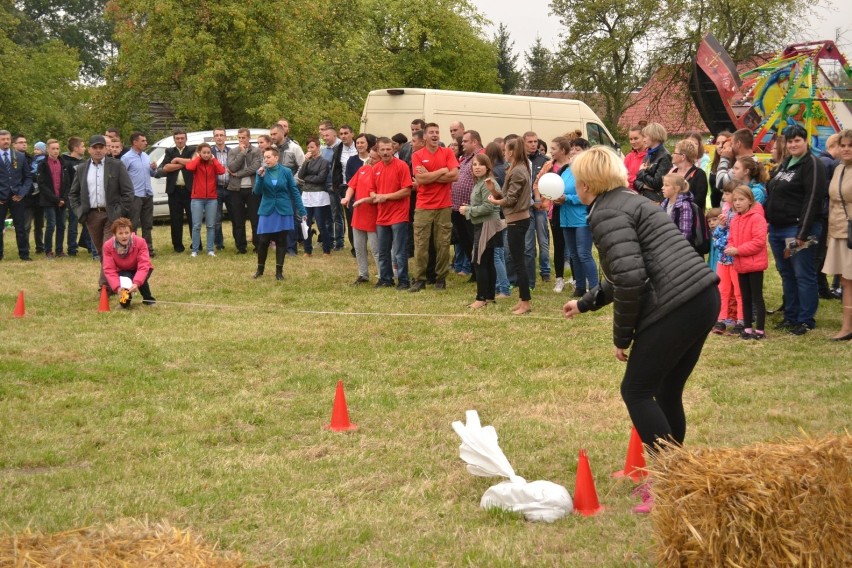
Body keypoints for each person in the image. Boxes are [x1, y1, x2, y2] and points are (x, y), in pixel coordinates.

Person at [562, 147, 720, 514]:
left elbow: (631, 278)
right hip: (702, 297)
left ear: (585, 184)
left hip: (677, 304)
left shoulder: (606, 213)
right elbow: (626, 271)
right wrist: (586, 302)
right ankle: (675, 479)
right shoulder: (632, 201)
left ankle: (671, 482)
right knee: (666, 389)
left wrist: (623, 337)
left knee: (635, 390)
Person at [765, 124, 826, 335]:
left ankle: (805, 319)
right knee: (786, 273)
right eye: (790, 141)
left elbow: (813, 198)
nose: (793, 144)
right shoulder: (786, 164)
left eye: (797, 140)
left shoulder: (812, 164)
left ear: (805, 141)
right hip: (777, 229)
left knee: (802, 274)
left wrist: (802, 233)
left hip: (797, 230)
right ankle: (791, 316)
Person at [68, 135, 134, 289]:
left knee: (107, 250)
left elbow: (128, 192)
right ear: (89, 150)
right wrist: (80, 212)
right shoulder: (82, 168)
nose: (98, 150)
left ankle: (105, 286)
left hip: (112, 215)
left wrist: (119, 212)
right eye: (95, 148)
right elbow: (73, 193)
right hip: (91, 216)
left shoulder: (116, 165)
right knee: (100, 251)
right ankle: (115, 279)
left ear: (106, 148)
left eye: (101, 147)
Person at [410, 123, 459, 292]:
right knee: (421, 244)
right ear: (424, 136)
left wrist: (429, 175)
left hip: (444, 206)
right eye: (431, 132)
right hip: (423, 206)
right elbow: (420, 180)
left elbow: (455, 176)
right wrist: (442, 171)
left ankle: (440, 279)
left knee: (443, 244)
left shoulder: (447, 152)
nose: (435, 135)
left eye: (437, 132)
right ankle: (420, 279)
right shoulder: (417, 155)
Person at [487, 138, 532, 315]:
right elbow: (509, 195)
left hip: (517, 220)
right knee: (517, 260)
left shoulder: (518, 171)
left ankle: (526, 303)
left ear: (512, 152)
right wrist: (493, 191)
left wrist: (496, 201)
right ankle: (522, 300)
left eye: (506, 150)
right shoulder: (516, 169)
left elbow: (511, 199)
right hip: (515, 219)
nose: (504, 152)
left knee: (519, 262)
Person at [252, 147, 305, 281]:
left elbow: (294, 191)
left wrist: (302, 210)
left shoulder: (286, 172)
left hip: (283, 210)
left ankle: (279, 272)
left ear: (276, 158)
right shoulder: (262, 172)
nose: (266, 160)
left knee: (281, 241)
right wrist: (259, 177)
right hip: (267, 209)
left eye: (269, 157)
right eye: (265, 157)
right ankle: (260, 270)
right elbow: (257, 192)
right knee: (263, 241)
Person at [725, 185, 768, 340]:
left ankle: (760, 330)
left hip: (754, 265)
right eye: (735, 200)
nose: (737, 203)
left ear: (750, 200)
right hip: (741, 265)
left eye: (741, 199)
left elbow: (758, 242)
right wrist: (730, 247)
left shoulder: (757, 218)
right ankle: (748, 327)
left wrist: (738, 250)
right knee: (745, 297)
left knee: (757, 297)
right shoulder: (735, 219)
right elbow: (731, 239)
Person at [459, 154, 502, 308]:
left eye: (480, 164)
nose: (476, 167)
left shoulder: (487, 183)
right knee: (488, 262)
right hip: (484, 224)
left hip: (487, 226)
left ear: (487, 167)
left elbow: (489, 206)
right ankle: (489, 296)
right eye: (474, 164)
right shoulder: (480, 183)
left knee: (480, 262)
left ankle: (481, 298)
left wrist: (469, 209)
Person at [371, 137, 413, 290]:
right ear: (378, 150)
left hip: (399, 215)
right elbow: (371, 189)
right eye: (382, 149)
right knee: (383, 251)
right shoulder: (376, 168)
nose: (385, 152)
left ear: (394, 149)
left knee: (399, 251)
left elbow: (407, 190)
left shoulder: (402, 166)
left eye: (388, 149)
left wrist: (386, 196)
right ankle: (386, 279)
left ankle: (403, 281)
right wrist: (373, 195)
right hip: (382, 216)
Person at [822, 128, 852, 340]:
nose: (846, 149)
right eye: (843, 145)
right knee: (845, 280)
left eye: (850, 145)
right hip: (839, 231)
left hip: (850, 231)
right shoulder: (839, 168)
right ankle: (847, 326)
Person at [558, 138, 597, 297]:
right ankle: (580, 287)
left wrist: (567, 198)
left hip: (582, 218)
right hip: (566, 218)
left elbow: (589, 195)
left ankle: (595, 288)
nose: (573, 151)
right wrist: (557, 198)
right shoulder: (566, 170)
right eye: (572, 148)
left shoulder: (587, 171)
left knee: (584, 254)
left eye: (578, 149)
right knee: (574, 255)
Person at [341, 143, 380, 284]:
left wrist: (363, 200)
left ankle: (382, 275)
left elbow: (377, 196)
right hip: (359, 214)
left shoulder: (381, 172)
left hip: (373, 215)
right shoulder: (363, 169)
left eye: (374, 158)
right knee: (359, 247)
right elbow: (352, 185)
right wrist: (347, 197)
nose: (370, 160)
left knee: (376, 249)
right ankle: (363, 274)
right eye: (370, 156)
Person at [711, 183, 744, 336]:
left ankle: (741, 319)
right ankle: (722, 318)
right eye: (724, 193)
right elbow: (717, 234)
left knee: (738, 290)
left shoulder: (740, 215)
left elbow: (732, 238)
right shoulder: (726, 213)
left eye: (727, 193)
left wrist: (720, 241)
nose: (724, 196)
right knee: (722, 289)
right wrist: (722, 226)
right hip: (723, 259)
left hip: (735, 258)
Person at [102, 217, 156, 307]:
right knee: (125, 281)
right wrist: (117, 287)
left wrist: (136, 283)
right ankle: (124, 303)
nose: (124, 236)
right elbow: (109, 269)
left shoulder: (140, 242)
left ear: (131, 232)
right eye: (120, 233)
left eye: (127, 233)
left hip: (140, 268)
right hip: (123, 270)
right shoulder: (108, 246)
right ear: (114, 234)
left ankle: (148, 299)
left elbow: (143, 265)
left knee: (142, 280)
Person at [185, 142, 226, 257]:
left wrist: (214, 159)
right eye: (204, 152)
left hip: (211, 199)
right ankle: (195, 250)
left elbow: (222, 171)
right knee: (196, 225)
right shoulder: (196, 163)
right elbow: (189, 167)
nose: (207, 155)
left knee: (210, 225)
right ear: (199, 153)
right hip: (197, 198)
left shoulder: (213, 163)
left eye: (209, 152)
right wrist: (198, 158)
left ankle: (210, 249)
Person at [158, 129, 195, 253]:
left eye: (182, 138)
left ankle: (196, 244)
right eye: (177, 138)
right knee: (175, 219)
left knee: (193, 218)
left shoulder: (192, 150)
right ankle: (177, 246)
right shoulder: (169, 151)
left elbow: (194, 162)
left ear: (186, 139)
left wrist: (177, 160)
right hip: (174, 191)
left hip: (190, 190)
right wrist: (183, 164)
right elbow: (166, 167)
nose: (180, 140)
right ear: (174, 140)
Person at [227, 128, 262, 254]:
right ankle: (241, 247)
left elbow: (255, 168)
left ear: (249, 138)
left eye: (244, 138)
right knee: (238, 220)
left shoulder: (257, 151)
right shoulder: (233, 151)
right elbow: (232, 167)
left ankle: (257, 245)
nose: (241, 140)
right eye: (239, 138)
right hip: (236, 190)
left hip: (252, 189)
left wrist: (237, 174)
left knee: (255, 219)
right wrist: (241, 154)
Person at [121, 132, 157, 256]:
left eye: (145, 140)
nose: (145, 143)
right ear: (135, 142)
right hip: (135, 195)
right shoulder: (126, 158)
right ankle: (133, 250)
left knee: (147, 224)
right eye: (143, 141)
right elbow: (122, 177)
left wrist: (153, 168)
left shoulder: (146, 156)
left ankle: (148, 250)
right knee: (133, 224)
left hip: (147, 194)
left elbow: (151, 174)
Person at [296, 137, 332, 256]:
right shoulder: (308, 161)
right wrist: (305, 162)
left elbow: (321, 178)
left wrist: (308, 178)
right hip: (307, 194)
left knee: (321, 223)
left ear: (317, 147)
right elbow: (301, 176)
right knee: (305, 223)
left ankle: (326, 248)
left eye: (312, 147)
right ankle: (307, 249)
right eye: (308, 147)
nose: (310, 149)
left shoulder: (324, 162)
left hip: (319, 195)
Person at [36, 139, 71, 258]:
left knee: (61, 225)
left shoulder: (64, 163)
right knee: (51, 225)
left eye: (57, 148)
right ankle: (48, 250)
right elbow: (42, 185)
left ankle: (59, 250)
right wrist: (56, 199)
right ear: (47, 150)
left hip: (62, 200)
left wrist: (63, 199)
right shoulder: (43, 165)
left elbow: (67, 183)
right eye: (53, 149)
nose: (56, 151)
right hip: (49, 200)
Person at [485, 141, 510, 298]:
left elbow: (498, 195)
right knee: (499, 253)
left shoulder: (494, 173)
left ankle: (503, 288)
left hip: (497, 215)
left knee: (496, 254)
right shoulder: (504, 170)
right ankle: (499, 285)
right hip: (503, 215)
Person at [633, 122, 672, 202]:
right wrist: (644, 186)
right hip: (644, 198)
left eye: (645, 137)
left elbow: (657, 184)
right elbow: (635, 182)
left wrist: (642, 172)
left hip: (656, 201)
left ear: (653, 136)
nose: (643, 140)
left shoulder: (665, 156)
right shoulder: (648, 155)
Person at [670, 138, 708, 209]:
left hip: (690, 215)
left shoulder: (699, 174)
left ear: (683, 156)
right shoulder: (673, 172)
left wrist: (682, 208)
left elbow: (700, 200)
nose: (672, 155)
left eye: (675, 153)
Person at [210, 128, 230, 251]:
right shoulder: (209, 152)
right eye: (216, 135)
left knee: (236, 217)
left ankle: (240, 243)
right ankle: (219, 244)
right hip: (216, 188)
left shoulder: (232, 151)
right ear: (214, 137)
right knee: (216, 218)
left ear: (225, 137)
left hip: (230, 188)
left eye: (221, 135)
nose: (219, 137)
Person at [661, 173, 695, 244]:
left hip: (677, 247)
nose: (662, 188)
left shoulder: (684, 205)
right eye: (663, 185)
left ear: (676, 189)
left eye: (666, 185)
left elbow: (685, 233)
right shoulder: (664, 203)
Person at [624, 125, 647, 190]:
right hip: (629, 194)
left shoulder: (649, 156)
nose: (633, 142)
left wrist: (631, 178)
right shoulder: (628, 157)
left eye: (636, 138)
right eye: (631, 139)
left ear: (644, 138)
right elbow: (622, 176)